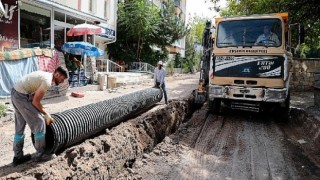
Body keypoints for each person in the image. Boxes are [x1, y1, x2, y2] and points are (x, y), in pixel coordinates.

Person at [11, 66, 68, 166]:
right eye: (62, 79)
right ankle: (40, 155)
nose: (62, 81)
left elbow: (34, 97)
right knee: (39, 122)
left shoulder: (45, 76)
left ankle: (18, 157)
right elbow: (35, 102)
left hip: (16, 94)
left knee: (20, 126)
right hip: (21, 96)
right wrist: (46, 114)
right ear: (57, 74)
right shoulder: (47, 81)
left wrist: (43, 111)